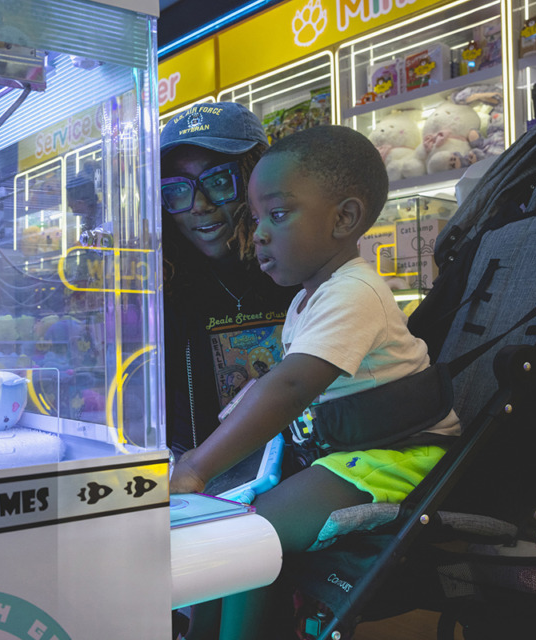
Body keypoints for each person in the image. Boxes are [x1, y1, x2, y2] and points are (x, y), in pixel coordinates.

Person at [169, 125, 461, 640]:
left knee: (251, 535)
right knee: (224, 519)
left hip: (394, 454)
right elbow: (284, 380)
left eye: (276, 216)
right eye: (257, 218)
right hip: (346, 445)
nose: (258, 234)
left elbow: (291, 387)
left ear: (344, 218)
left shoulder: (353, 292)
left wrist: (195, 464)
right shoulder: (309, 298)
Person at [161, 102, 300, 461]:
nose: (199, 204)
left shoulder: (303, 268)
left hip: (311, 463)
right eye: (177, 189)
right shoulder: (163, 289)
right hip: (203, 481)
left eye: (219, 181)